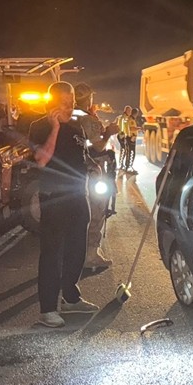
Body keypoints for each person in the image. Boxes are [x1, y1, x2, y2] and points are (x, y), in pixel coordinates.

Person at [28, 81, 98, 328]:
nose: (70, 107)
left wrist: (92, 164)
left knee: (76, 248)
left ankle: (70, 296)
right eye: (65, 103)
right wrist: (55, 128)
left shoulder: (77, 125)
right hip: (54, 197)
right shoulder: (39, 126)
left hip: (78, 195)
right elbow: (41, 160)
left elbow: (80, 153)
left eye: (72, 102)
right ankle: (47, 309)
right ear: (53, 103)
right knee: (52, 253)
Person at [72, 82, 120, 270]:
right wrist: (109, 132)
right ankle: (91, 255)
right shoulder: (87, 119)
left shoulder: (69, 116)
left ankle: (74, 253)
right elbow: (99, 146)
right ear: (88, 98)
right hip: (93, 171)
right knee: (96, 211)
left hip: (74, 171)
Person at [117, 106, 137, 173]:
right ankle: (121, 165)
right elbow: (122, 127)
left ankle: (123, 165)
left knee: (125, 151)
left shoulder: (125, 117)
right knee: (124, 151)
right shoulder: (124, 118)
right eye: (129, 111)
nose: (130, 112)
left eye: (130, 111)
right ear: (125, 110)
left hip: (124, 136)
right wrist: (123, 135)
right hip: (122, 136)